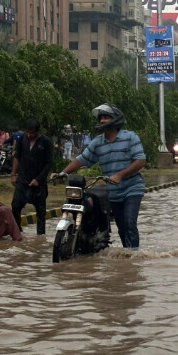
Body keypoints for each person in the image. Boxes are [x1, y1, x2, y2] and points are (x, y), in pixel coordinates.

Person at [51, 104, 147, 249]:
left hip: (132, 188)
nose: (102, 121)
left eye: (106, 117)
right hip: (114, 192)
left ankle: (134, 255)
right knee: (121, 226)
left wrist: (120, 175)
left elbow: (141, 161)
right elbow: (81, 159)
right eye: (101, 118)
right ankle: (128, 255)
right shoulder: (98, 142)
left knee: (129, 222)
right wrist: (63, 173)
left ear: (115, 120)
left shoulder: (130, 137)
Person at [11, 118, 53, 235]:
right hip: (23, 180)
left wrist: (38, 179)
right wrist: (13, 174)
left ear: (38, 131)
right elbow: (17, 157)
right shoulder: (21, 139)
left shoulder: (45, 142)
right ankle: (17, 232)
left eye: (32, 133)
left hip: (39, 183)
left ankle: (40, 239)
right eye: (27, 132)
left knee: (41, 213)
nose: (29, 135)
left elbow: (49, 163)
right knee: (15, 206)